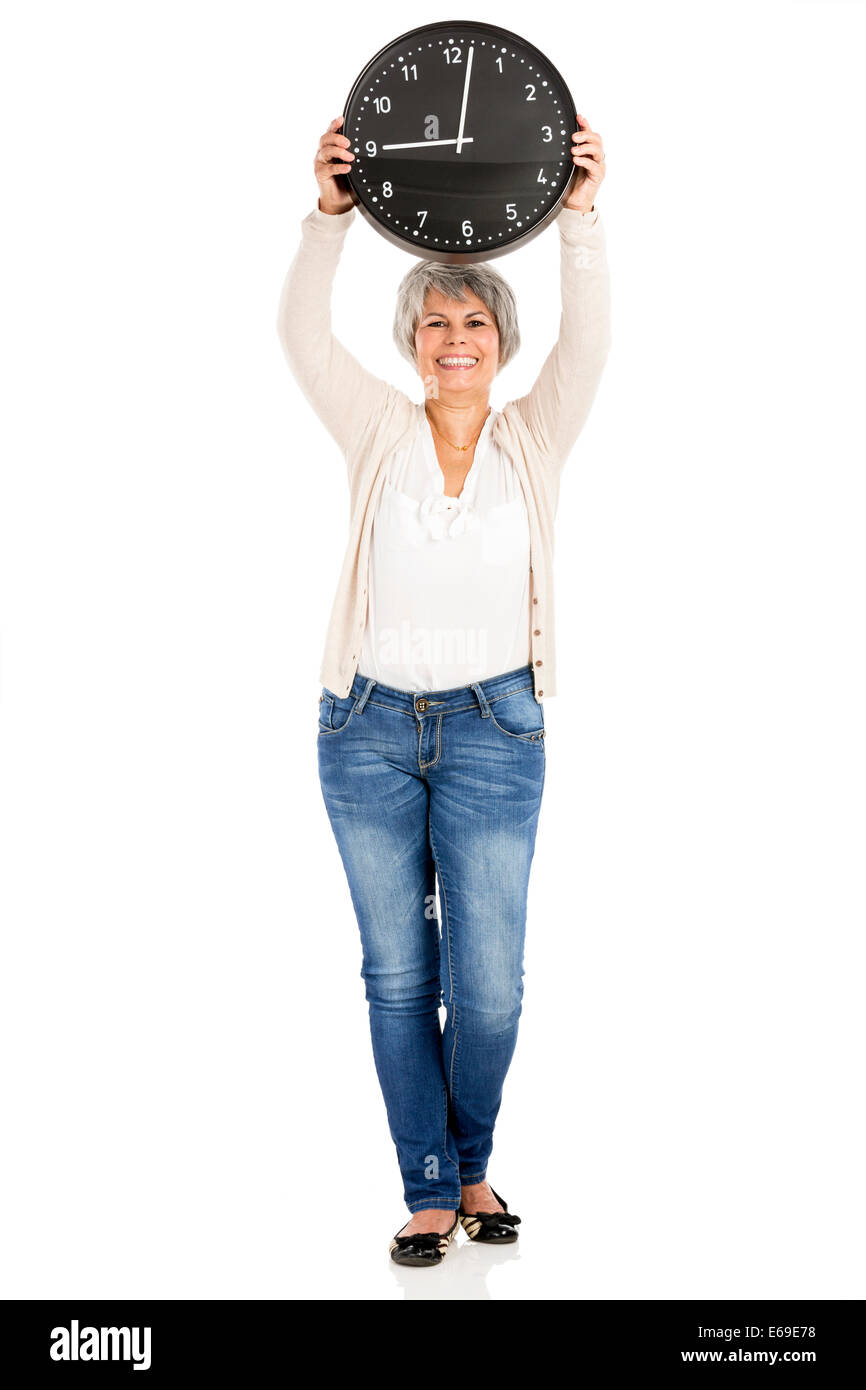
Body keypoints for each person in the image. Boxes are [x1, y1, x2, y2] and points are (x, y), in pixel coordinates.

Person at [277, 112, 611, 1265]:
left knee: (491, 985)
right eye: (435, 321)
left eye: (474, 320)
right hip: (364, 728)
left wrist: (576, 219)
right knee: (394, 973)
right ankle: (431, 1186)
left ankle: (472, 1157)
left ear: (500, 341)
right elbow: (299, 335)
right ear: (411, 341)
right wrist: (328, 217)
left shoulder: (535, 436)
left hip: (493, 730)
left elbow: (591, 341)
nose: (454, 335)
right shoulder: (375, 425)